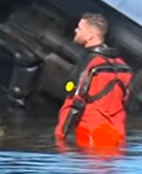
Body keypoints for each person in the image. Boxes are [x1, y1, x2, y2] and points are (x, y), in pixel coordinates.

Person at [55, 12, 133, 150]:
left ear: (90, 35)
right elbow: (125, 102)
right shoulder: (123, 66)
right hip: (117, 136)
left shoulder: (90, 64)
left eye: (79, 28)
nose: (75, 30)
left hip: (91, 134)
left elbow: (74, 102)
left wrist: (60, 138)